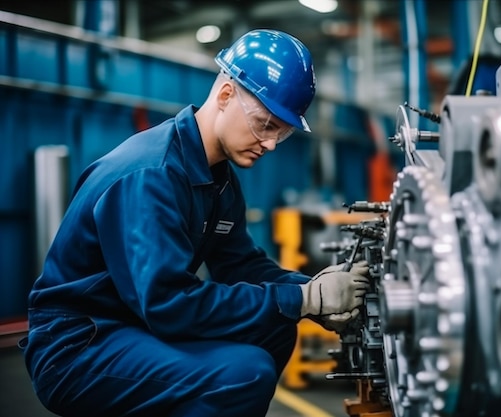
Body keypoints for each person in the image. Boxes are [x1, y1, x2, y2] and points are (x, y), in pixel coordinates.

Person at [20, 29, 370, 417]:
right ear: (224, 96)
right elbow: (168, 304)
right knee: (244, 374)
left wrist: (314, 291)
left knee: (274, 326)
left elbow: (243, 265)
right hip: (79, 345)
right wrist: (300, 301)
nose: (270, 143)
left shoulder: (218, 179)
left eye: (282, 133)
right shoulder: (151, 176)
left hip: (132, 325)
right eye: (264, 124)